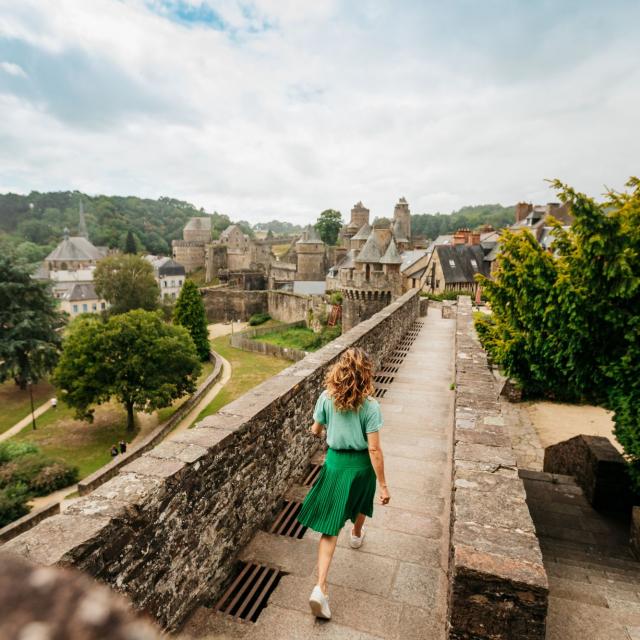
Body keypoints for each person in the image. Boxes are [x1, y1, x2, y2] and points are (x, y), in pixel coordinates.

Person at [297, 347, 390, 620]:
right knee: (362, 501)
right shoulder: (370, 406)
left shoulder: (326, 398)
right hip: (361, 467)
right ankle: (357, 535)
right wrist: (384, 485)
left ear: (339, 370)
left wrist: (326, 428)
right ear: (365, 373)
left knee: (329, 527)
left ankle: (320, 587)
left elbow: (315, 430)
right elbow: (374, 450)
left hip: (335, 465)